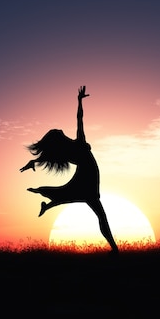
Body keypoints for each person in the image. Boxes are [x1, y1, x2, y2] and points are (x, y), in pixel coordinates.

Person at [20, 86, 119, 253]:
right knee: (98, 213)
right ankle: (115, 249)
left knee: (73, 198)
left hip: (86, 178)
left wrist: (79, 101)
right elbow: (79, 118)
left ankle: (46, 203)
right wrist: (79, 102)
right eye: (59, 132)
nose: (61, 130)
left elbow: (79, 117)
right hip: (87, 179)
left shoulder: (70, 149)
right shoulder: (78, 142)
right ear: (59, 138)